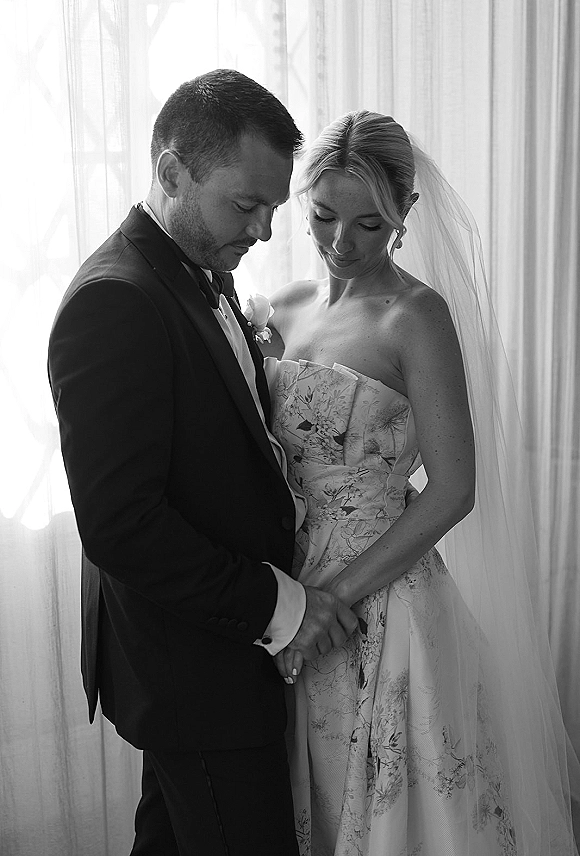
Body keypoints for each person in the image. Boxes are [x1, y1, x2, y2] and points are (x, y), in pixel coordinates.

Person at [47, 69, 358, 856]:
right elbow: (122, 525)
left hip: (210, 660)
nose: (261, 230)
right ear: (171, 172)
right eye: (244, 204)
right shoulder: (114, 302)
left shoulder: (200, 273)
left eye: (273, 208)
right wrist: (283, 608)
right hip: (200, 668)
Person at [263, 111, 579, 855]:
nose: (343, 243)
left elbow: (453, 488)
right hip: (284, 580)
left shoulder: (416, 316)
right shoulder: (279, 311)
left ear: (405, 214)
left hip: (383, 590)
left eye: (370, 223)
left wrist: (335, 597)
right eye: (324, 217)